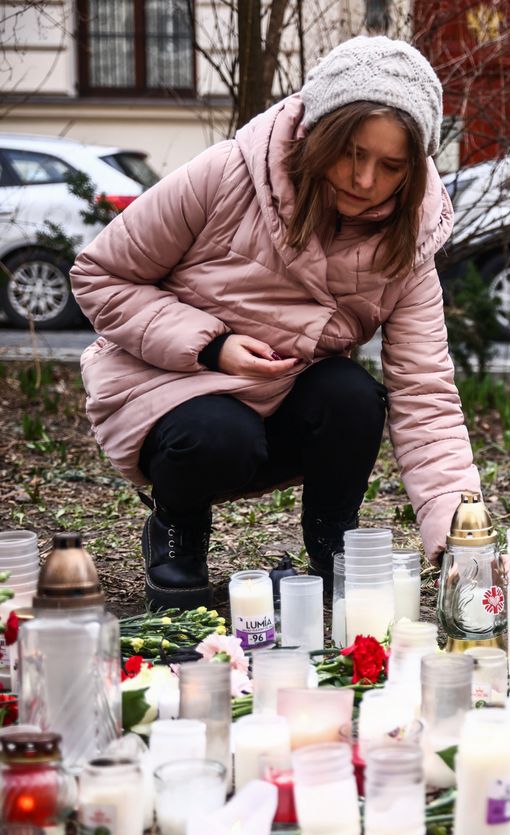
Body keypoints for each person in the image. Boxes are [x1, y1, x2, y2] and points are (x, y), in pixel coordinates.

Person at [71, 37, 480, 608]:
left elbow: (426, 389)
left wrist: (461, 529)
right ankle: (178, 531)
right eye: (352, 153)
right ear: (319, 132)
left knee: (353, 396)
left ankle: (334, 544)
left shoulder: (406, 245)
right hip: (172, 390)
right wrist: (212, 345)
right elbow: (100, 276)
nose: (364, 181)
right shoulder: (227, 174)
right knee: (220, 433)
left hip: (283, 399)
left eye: (390, 167)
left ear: (414, 169)